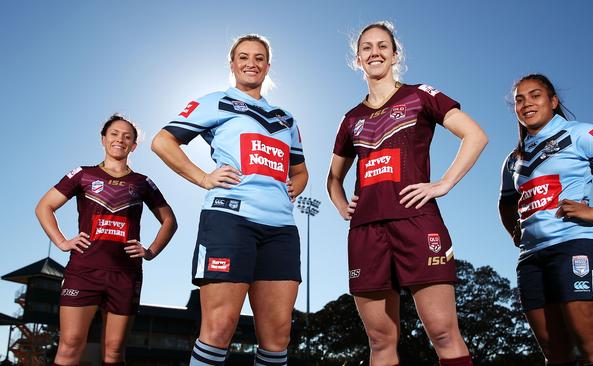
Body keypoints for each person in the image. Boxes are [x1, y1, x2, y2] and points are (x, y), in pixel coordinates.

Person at [327, 21, 487, 366]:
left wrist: (444, 183)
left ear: (395, 54)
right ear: (357, 59)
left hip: (417, 221)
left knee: (443, 332)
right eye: (367, 47)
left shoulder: (420, 95)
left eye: (383, 46)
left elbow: (475, 135)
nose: (375, 52)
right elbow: (333, 179)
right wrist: (343, 207)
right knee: (380, 341)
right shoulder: (350, 118)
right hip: (366, 231)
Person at [151, 33, 308, 366]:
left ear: (268, 66)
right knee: (220, 327)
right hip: (230, 220)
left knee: (278, 337)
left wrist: (296, 185)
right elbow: (163, 142)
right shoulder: (215, 101)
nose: (251, 63)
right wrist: (203, 178)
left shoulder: (286, 118)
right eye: (243, 57)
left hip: (281, 229)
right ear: (232, 63)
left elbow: (301, 171)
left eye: (259, 58)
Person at [498, 74, 593, 366]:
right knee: (555, 353)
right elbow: (506, 202)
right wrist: (516, 233)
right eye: (519, 99)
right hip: (531, 259)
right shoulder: (513, 159)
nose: (527, 103)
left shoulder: (579, 133)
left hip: (576, 246)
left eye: (535, 95)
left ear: (553, 101)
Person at [35, 114, 177, 366]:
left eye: (127, 136)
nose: (119, 139)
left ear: (133, 145)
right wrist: (61, 241)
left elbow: (169, 221)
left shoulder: (143, 182)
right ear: (103, 139)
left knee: (113, 352)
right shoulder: (83, 174)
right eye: (114, 134)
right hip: (83, 271)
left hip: (125, 273)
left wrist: (151, 251)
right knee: (69, 345)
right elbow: (44, 206)